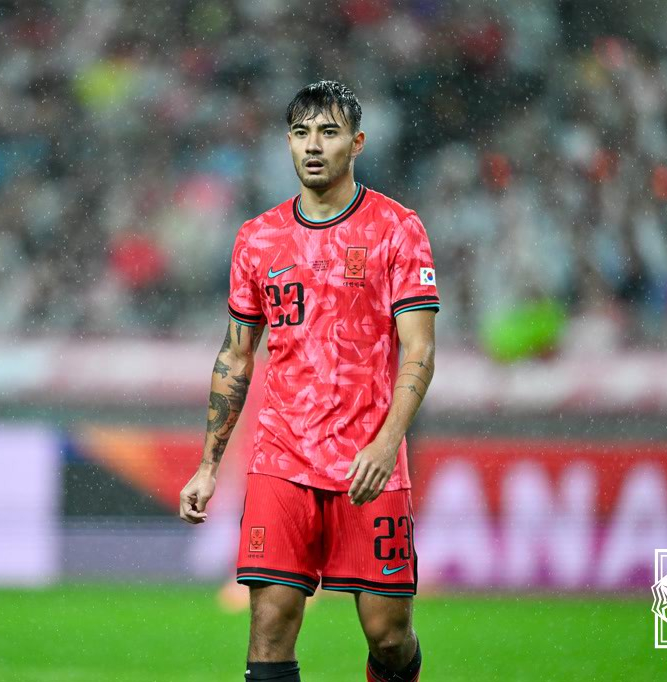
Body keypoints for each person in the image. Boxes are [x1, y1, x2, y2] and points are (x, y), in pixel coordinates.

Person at [179, 80, 438, 682]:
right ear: (287, 144)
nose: (313, 146)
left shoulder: (397, 229)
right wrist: (209, 465)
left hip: (367, 465)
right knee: (270, 627)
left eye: (328, 132)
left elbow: (419, 351)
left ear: (357, 142)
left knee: (388, 634)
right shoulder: (257, 238)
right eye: (300, 133)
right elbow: (236, 357)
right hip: (281, 461)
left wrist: (386, 441)